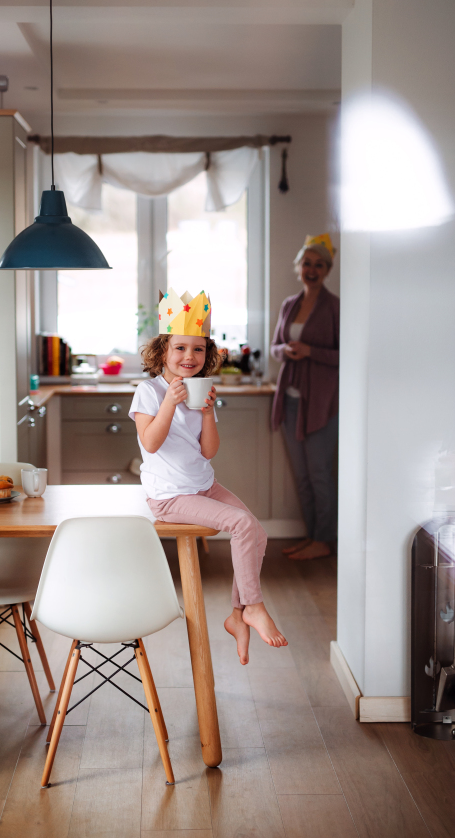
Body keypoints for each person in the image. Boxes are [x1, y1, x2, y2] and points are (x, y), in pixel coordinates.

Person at [130, 288, 287, 665]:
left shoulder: (201, 392)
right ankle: (253, 605)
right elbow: (151, 443)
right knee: (239, 523)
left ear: (208, 355)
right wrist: (170, 401)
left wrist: (204, 413)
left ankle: (237, 616)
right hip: (169, 497)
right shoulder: (149, 392)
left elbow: (209, 451)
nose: (190, 357)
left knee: (256, 531)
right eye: (180, 348)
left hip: (203, 485)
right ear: (162, 352)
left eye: (198, 349)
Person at [271, 234, 339, 561]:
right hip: (290, 400)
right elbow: (274, 348)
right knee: (302, 476)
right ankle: (312, 536)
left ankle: (324, 540)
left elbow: (346, 354)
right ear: (298, 267)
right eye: (307, 263)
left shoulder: (336, 307)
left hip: (321, 404)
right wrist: (286, 350)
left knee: (320, 475)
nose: (312, 270)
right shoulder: (289, 304)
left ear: (328, 269)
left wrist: (311, 351)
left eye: (319, 264)